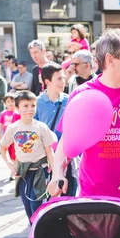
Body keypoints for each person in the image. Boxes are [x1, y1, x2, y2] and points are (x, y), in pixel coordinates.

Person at [47, 28, 120, 201]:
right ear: (110, 59)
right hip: (93, 196)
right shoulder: (82, 94)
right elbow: (67, 140)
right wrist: (57, 173)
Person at [0, 90, 56, 221]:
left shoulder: (41, 127)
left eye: (33, 105)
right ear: (17, 108)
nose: (30, 109)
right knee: (28, 208)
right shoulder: (13, 128)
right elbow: (3, 148)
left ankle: (38, 236)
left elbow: (49, 151)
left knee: (37, 206)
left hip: (40, 171)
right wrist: (10, 165)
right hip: (22, 173)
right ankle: (34, 233)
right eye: (25, 106)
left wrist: (55, 172)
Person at [35, 62, 78, 196]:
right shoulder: (37, 103)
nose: (63, 81)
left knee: (69, 195)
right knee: (48, 197)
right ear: (47, 82)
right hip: (46, 158)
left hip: (68, 157)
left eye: (63, 78)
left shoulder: (70, 100)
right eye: (59, 78)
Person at [0, 93, 21, 179]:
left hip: (16, 139)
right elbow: (0, 123)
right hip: (7, 139)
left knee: (15, 155)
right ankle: (13, 169)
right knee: (9, 155)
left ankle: (14, 171)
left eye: (12, 101)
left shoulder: (17, 114)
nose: (10, 103)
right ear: (5, 103)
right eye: (8, 101)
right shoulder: (4, 113)